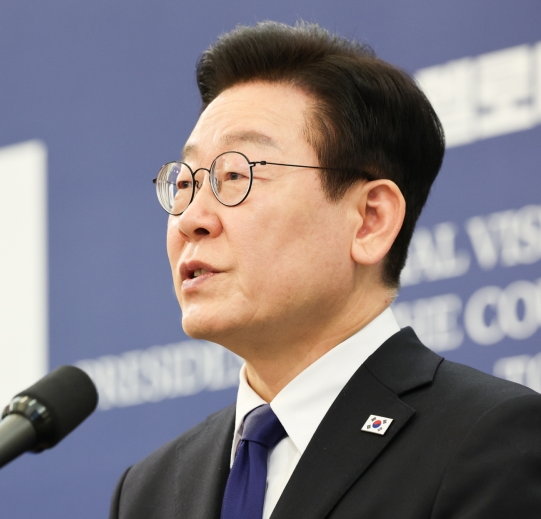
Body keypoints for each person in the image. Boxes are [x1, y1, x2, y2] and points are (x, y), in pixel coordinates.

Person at [109, 21, 541, 519]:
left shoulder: (486, 440)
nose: (191, 220)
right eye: (186, 183)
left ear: (370, 220)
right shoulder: (149, 490)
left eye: (236, 175)